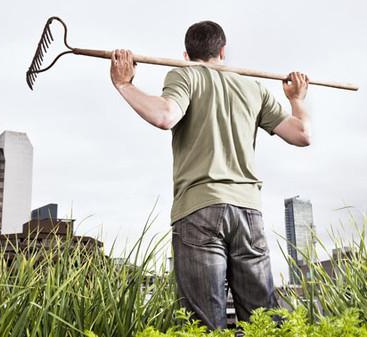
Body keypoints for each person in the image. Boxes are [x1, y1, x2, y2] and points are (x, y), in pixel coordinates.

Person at [109, 20, 310, 330]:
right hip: (248, 214)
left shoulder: (185, 75)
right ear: (223, 51)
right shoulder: (252, 87)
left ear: (187, 54)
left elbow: (165, 115)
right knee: (264, 324)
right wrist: (296, 99)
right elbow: (301, 134)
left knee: (204, 326)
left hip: (199, 210)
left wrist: (125, 84)